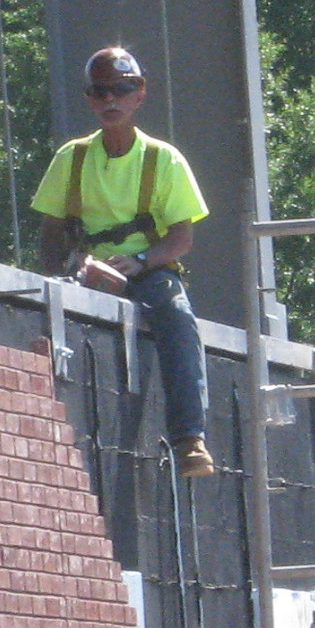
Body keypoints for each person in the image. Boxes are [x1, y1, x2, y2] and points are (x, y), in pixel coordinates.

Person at [31, 48, 214, 477]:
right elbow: (50, 232)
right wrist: (63, 270)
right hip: (84, 272)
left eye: (122, 89)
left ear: (139, 94)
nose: (111, 100)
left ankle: (189, 437)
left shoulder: (163, 160)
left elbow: (181, 238)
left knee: (176, 316)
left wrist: (141, 261)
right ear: (90, 98)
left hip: (146, 273)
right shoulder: (71, 158)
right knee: (42, 314)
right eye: (100, 92)